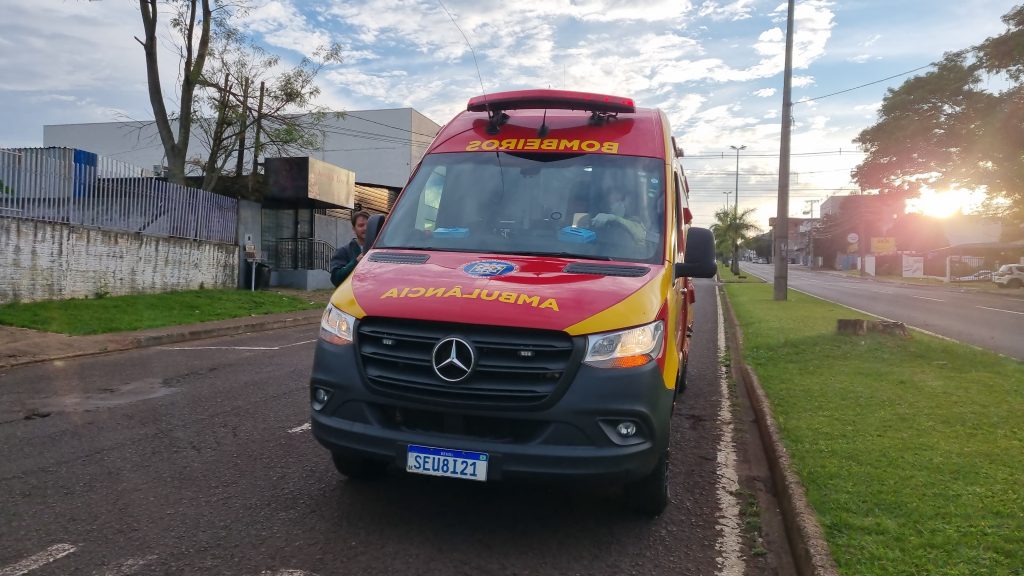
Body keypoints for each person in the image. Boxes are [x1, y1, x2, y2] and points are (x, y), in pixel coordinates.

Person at [330, 210, 369, 287]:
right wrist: (356, 262)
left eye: (368, 225)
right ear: (354, 229)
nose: (365, 228)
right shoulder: (342, 251)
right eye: (361, 225)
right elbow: (335, 279)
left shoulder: (380, 249)